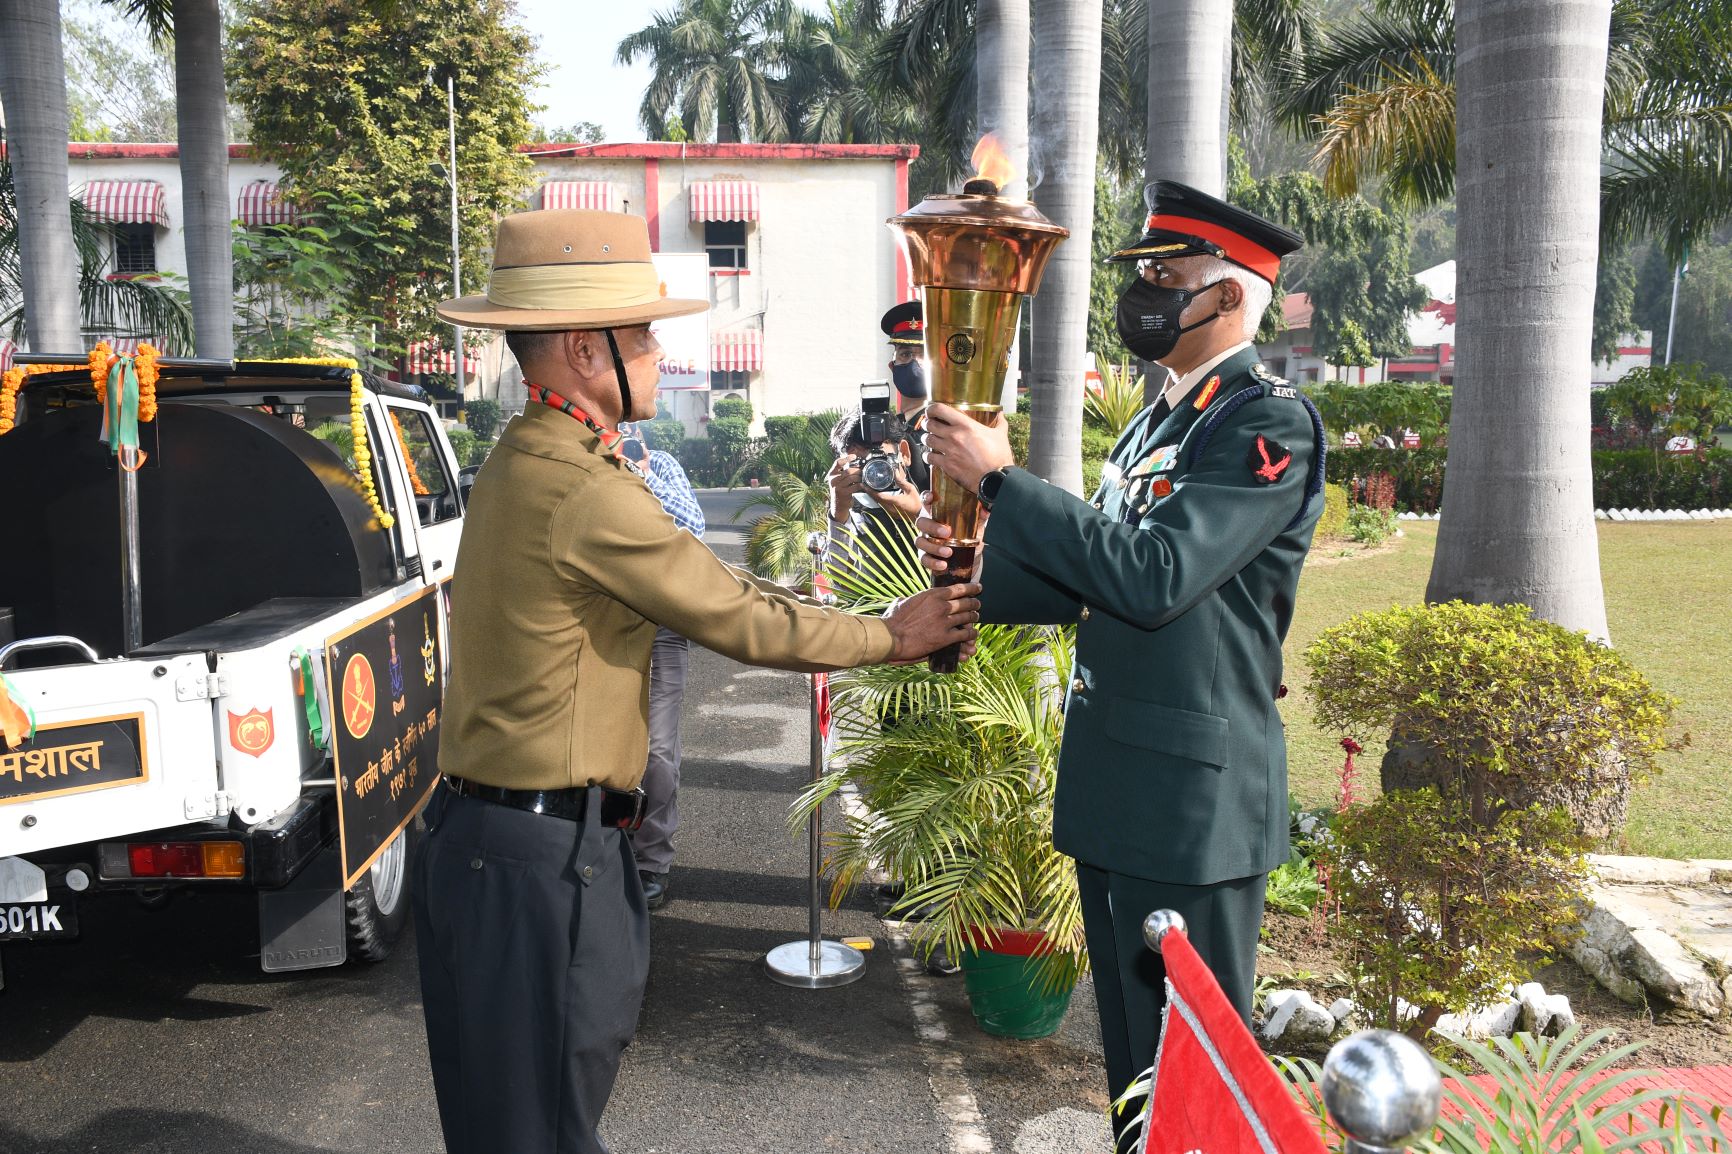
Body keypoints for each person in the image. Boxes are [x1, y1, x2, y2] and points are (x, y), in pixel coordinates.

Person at [416, 208, 981, 1154]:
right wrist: (892, 634)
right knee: (541, 1128)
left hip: (510, 847)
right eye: (638, 333)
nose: (655, 351)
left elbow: (711, 583)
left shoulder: (538, 460)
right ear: (581, 349)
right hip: (539, 862)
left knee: (515, 1120)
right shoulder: (580, 487)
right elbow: (738, 618)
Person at [915, 181, 1323, 1151]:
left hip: (1191, 811)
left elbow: (1154, 575)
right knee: (1137, 1081)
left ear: (1226, 298)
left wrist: (1004, 479)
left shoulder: (1265, 425)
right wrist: (973, 576)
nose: (1142, 291)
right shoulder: (1153, 425)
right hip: (1118, 787)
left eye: (1163, 274)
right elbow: (1080, 582)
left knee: (1195, 1075)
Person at [617, 422, 703, 911]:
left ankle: (652, 861)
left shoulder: (663, 465)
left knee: (658, 750)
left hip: (664, 626)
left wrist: (638, 476)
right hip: (603, 623)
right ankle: (611, 844)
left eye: (632, 441)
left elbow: (692, 525)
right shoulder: (586, 470)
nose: (625, 448)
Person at [881, 300, 932, 496]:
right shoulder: (887, 425)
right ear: (892, 366)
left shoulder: (946, 426)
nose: (915, 363)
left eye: (925, 355)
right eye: (906, 354)